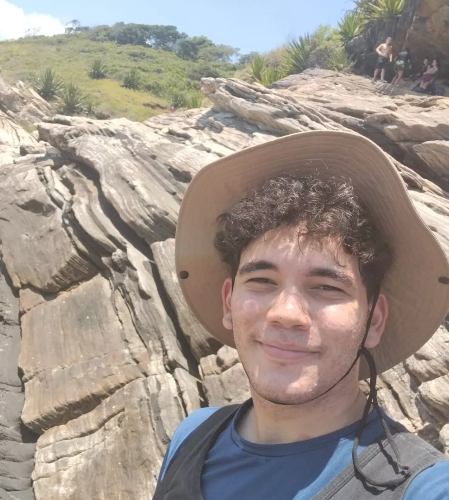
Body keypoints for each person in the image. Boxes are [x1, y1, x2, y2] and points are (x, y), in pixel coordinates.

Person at [154, 130, 449, 500]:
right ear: (228, 303)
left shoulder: (422, 487)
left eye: (326, 287)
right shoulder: (193, 436)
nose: (286, 313)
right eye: (262, 280)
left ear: (373, 320)